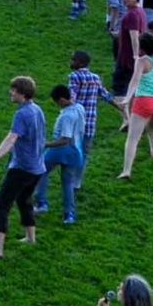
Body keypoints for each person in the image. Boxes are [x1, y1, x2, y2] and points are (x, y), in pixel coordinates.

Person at [0, 76, 49, 259]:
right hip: (38, 168)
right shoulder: (37, 109)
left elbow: (11, 138)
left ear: (22, 94)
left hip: (22, 168)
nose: (10, 92)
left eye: (14, 90)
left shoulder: (21, 114)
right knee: (24, 200)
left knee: (1, 205)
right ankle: (31, 238)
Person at [116, 39, 153, 179]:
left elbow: (134, 81)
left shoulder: (141, 62)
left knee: (132, 138)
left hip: (144, 101)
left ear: (142, 48)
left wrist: (127, 99)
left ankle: (126, 170)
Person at [40, 85, 89, 223]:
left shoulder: (67, 115)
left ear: (62, 100)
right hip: (76, 152)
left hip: (61, 150)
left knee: (40, 170)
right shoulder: (79, 108)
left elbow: (64, 139)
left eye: (57, 102)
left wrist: (45, 144)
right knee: (68, 183)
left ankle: (41, 203)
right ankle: (69, 214)